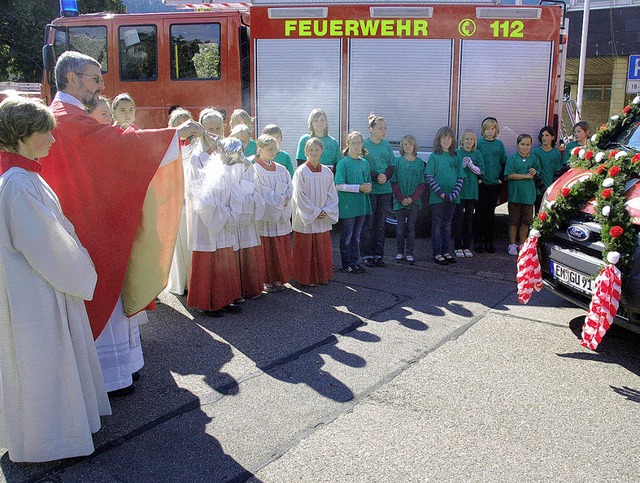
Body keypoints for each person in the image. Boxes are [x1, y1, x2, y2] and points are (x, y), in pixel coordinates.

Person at [38, 51, 203, 396]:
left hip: (91, 213)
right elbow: (117, 145)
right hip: (86, 222)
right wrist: (174, 134)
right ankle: (110, 377)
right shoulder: (66, 118)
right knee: (103, 290)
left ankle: (121, 368)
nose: (100, 86)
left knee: (110, 292)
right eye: (94, 77)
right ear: (71, 77)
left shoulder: (72, 116)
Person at [0, 96, 110, 462]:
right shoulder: (17, 182)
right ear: (23, 134)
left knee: (45, 361)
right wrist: (81, 271)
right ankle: (52, 441)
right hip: (35, 291)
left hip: (40, 285)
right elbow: (45, 244)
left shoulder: (25, 176)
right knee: (44, 362)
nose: (52, 138)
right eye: (45, 131)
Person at [186, 134, 244, 316]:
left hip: (225, 214)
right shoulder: (196, 159)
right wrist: (222, 212)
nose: (214, 133)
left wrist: (232, 211)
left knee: (225, 259)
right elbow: (198, 191)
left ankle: (225, 298)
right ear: (202, 132)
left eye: (218, 128)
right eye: (210, 128)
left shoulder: (223, 157)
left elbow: (235, 187)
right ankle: (208, 303)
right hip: (207, 218)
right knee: (209, 260)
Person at [291, 138, 339, 286]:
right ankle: (306, 277)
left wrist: (327, 210)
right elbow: (299, 196)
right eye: (310, 150)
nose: (314, 152)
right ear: (305, 152)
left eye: (316, 149)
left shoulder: (327, 172)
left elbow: (332, 194)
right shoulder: (301, 172)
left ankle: (321, 276)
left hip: (322, 215)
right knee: (306, 248)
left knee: (321, 246)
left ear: (322, 151)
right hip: (308, 217)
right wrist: (315, 212)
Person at [253, 134, 293, 292]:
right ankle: (266, 279)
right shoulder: (255, 169)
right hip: (266, 216)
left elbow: (290, 186)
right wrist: (278, 199)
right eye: (269, 149)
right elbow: (260, 192)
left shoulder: (282, 169)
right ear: (260, 149)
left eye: (275, 150)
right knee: (266, 249)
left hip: (280, 213)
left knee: (279, 246)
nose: (273, 153)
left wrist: (286, 198)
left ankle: (279, 278)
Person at [425, 126, 465, 265]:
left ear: (453, 140)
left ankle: (446, 251)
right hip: (438, 198)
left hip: (453, 197)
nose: (446, 140)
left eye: (449, 137)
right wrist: (441, 193)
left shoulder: (456, 156)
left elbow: (461, 177)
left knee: (448, 225)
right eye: (444, 137)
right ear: (438, 139)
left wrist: (454, 194)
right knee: (437, 224)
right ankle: (437, 253)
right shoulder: (434, 156)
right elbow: (429, 176)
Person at [166, 107, 195, 296]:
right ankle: (180, 281)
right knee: (179, 241)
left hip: (193, 200)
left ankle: (193, 280)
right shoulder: (169, 148)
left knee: (192, 240)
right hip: (177, 200)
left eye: (187, 122)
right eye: (178, 123)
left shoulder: (198, 147)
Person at [335, 131, 372, 274]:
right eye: (353, 143)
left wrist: (368, 187)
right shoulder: (343, 163)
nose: (357, 145)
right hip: (348, 205)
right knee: (348, 235)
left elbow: (368, 179)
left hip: (361, 204)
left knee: (357, 236)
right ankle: (346, 264)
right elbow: (338, 185)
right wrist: (359, 188)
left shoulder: (365, 163)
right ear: (348, 144)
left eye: (359, 142)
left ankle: (355, 262)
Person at [361, 114, 395, 268]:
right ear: (371, 129)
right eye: (380, 128)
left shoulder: (387, 145)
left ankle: (378, 255)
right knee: (369, 223)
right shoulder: (365, 145)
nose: (384, 131)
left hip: (385, 190)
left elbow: (391, 165)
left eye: (385, 128)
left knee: (380, 225)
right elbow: (363, 166)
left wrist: (386, 177)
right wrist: (375, 177)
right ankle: (367, 255)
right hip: (371, 190)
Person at [474, 117, 507, 254]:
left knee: (490, 214)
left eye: (492, 129)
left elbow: (504, 162)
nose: (490, 131)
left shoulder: (499, 145)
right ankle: (478, 241)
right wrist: (478, 178)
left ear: (496, 130)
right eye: (487, 129)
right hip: (482, 184)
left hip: (494, 184)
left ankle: (489, 241)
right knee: (479, 213)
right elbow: (474, 161)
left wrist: (500, 179)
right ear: (483, 130)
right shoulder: (479, 143)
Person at [390, 134, 425, 265]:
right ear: (401, 146)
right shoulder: (397, 162)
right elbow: (393, 182)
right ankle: (400, 252)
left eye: (410, 144)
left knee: (411, 227)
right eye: (405, 144)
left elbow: (422, 184)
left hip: (414, 202)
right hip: (399, 202)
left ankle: (410, 253)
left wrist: (412, 198)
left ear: (414, 146)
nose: (407, 146)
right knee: (400, 228)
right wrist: (401, 198)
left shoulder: (420, 163)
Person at [505, 134, 540, 256]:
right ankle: (512, 244)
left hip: (528, 196)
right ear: (517, 145)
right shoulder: (512, 158)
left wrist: (534, 172)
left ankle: (522, 244)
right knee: (513, 221)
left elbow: (537, 172)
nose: (525, 147)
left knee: (526, 221)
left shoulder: (534, 159)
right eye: (522, 144)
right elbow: (509, 175)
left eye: (528, 144)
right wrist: (525, 176)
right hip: (515, 195)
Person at [453, 129, 484, 258]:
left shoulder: (477, 153)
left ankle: (466, 246)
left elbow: (481, 171)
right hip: (460, 192)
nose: (469, 141)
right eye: (467, 139)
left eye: (472, 139)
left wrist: (471, 165)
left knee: (469, 220)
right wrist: (462, 165)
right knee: (458, 220)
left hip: (472, 192)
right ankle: (457, 247)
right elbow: (453, 170)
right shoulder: (457, 152)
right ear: (462, 140)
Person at [532, 125, 563, 212]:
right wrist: (542, 187)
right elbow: (534, 172)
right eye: (542, 135)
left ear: (552, 137)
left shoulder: (556, 154)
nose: (544, 138)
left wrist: (552, 188)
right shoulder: (535, 152)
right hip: (538, 190)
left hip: (551, 189)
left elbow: (558, 172)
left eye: (547, 135)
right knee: (538, 213)